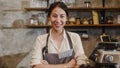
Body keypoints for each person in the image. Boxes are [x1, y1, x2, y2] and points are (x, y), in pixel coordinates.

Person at [30, 1, 89, 68]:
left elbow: (81, 62)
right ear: (49, 17)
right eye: (54, 16)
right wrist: (66, 66)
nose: (58, 20)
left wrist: (47, 66)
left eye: (62, 16)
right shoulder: (40, 39)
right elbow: (35, 66)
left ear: (66, 18)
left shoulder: (74, 37)